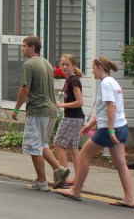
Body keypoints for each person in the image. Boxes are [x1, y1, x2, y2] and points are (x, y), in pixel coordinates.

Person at [56, 56, 134, 207]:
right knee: (121, 164)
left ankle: (76, 190)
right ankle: (129, 198)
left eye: (93, 68)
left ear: (99, 67)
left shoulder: (105, 84)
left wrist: (110, 131)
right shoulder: (114, 83)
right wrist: (91, 124)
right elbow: (105, 110)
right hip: (122, 127)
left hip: (109, 129)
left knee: (84, 155)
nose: (92, 71)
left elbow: (111, 106)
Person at [11, 35, 68, 191]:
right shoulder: (46, 63)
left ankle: (41, 181)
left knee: (33, 146)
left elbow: (24, 89)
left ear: (32, 47)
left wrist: (16, 109)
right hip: (50, 110)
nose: (22, 49)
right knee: (42, 143)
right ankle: (59, 169)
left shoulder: (29, 64)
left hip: (37, 110)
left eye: (24, 46)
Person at [52, 54, 84, 188]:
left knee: (58, 143)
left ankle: (62, 176)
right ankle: (78, 179)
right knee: (73, 148)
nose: (64, 67)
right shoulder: (69, 80)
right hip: (77, 118)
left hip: (72, 117)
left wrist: (62, 105)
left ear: (73, 66)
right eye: (62, 64)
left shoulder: (73, 81)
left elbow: (79, 102)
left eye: (67, 65)